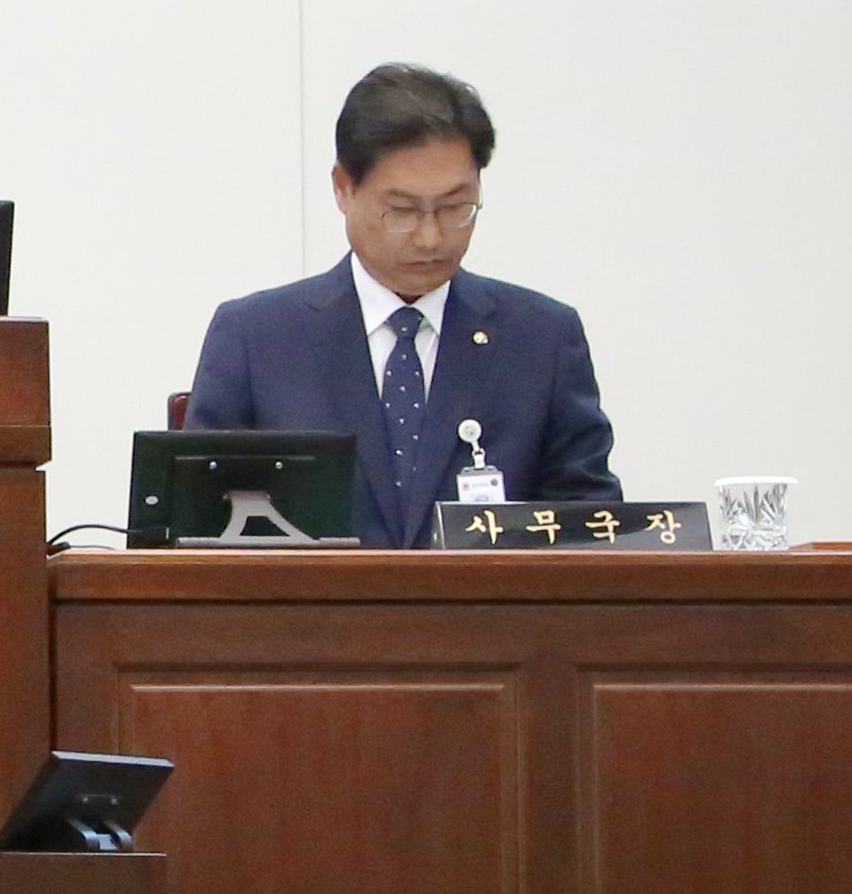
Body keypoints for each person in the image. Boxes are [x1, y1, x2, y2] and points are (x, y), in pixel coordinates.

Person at [186, 63, 616, 543]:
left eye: (455, 208)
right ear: (343, 188)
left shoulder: (541, 339)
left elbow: (589, 532)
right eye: (403, 210)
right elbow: (200, 534)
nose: (431, 237)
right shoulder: (255, 339)